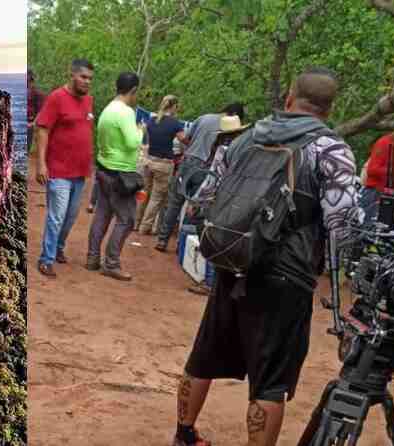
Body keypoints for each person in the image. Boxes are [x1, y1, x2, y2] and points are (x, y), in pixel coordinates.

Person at [173, 67, 363, 446]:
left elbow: (207, 198)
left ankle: (184, 435)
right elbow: (344, 225)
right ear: (329, 108)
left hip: (233, 261)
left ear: (289, 98)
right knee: (271, 381)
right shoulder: (331, 149)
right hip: (286, 277)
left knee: (203, 355)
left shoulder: (246, 138)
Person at [155, 102, 245, 252]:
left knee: (174, 202)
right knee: (195, 205)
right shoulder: (230, 129)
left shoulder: (204, 118)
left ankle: (162, 240)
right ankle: (182, 245)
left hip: (187, 162)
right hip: (206, 168)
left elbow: (186, 138)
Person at [34, 59, 95, 278]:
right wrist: (41, 164)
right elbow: (42, 129)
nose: (87, 82)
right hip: (58, 170)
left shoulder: (88, 100)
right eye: (83, 77)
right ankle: (46, 259)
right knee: (56, 216)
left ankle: (58, 248)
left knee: (70, 216)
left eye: (90, 78)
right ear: (72, 75)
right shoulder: (57, 98)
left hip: (79, 171)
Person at [86, 71, 145, 281]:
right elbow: (131, 142)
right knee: (127, 220)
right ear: (133, 90)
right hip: (121, 174)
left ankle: (92, 258)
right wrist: (140, 130)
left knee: (102, 214)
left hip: (104, 169)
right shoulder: (126, 112)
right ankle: (111, 263)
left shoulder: (107, 110)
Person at [134, 95, 189, 234]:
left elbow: (143, 133)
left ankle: (135, 222)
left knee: (144, 193)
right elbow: (184, 140)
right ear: (174, 106)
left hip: (148, 160)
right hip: (163, 164)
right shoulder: (175, 123)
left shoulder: (152, 120)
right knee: (157, 198)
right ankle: (145, 227)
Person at [27, 69, 45, 151]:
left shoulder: (38, 94)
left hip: (30, 124)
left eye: (29, 80)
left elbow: (41, 111)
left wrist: (33, 124)